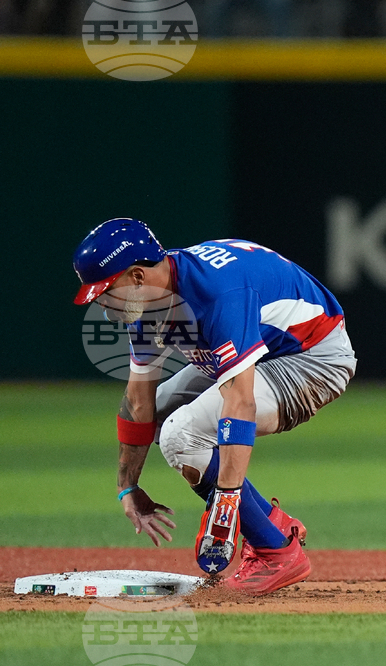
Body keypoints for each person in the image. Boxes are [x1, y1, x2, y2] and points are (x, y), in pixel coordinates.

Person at [72, 219, 357, 595]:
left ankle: (275, 551)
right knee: (162, 418)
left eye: (106, 291)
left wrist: (225, 502)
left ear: (137, 277)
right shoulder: (149, 303)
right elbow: (139, 401)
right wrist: (128, 488)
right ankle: (272, 524)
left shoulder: (218, 293)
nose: (103, 305)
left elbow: (240, 400)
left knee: (181, 436)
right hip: (262, 349)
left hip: (311, 356)